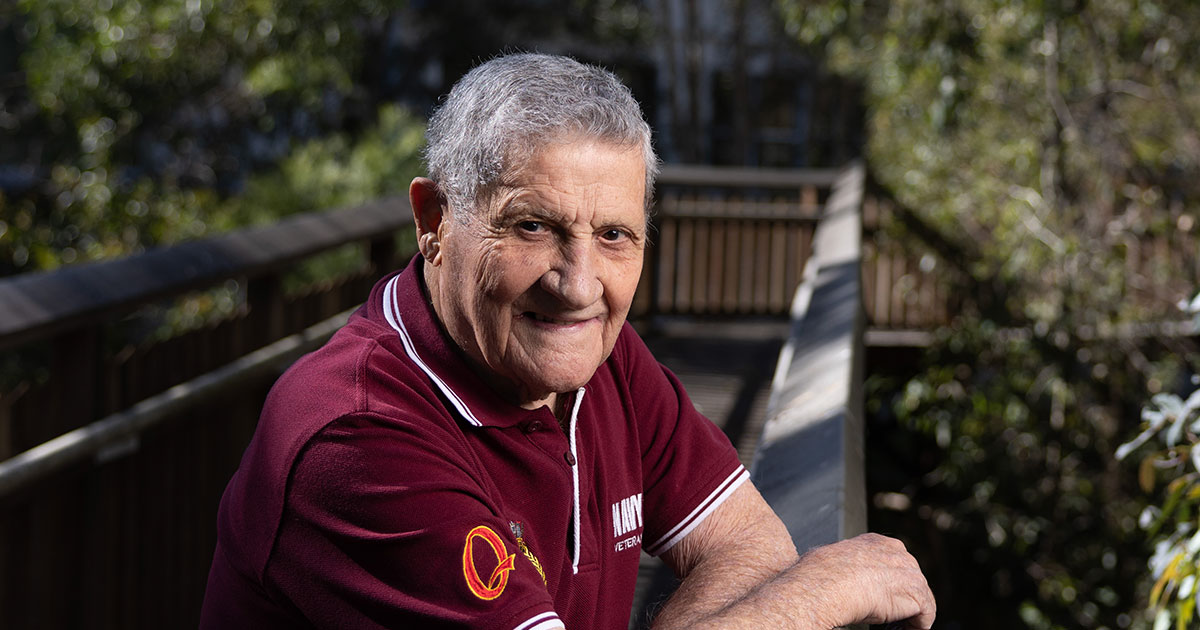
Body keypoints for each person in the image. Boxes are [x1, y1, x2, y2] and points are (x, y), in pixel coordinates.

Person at [200, 53, 935, 630]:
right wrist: (817, 595)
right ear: (434, 221)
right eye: (533, 227)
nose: (579, 284)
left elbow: (746, 537)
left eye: (614, 235)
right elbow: (781, 573)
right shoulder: (357, 437)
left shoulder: (599, 353)